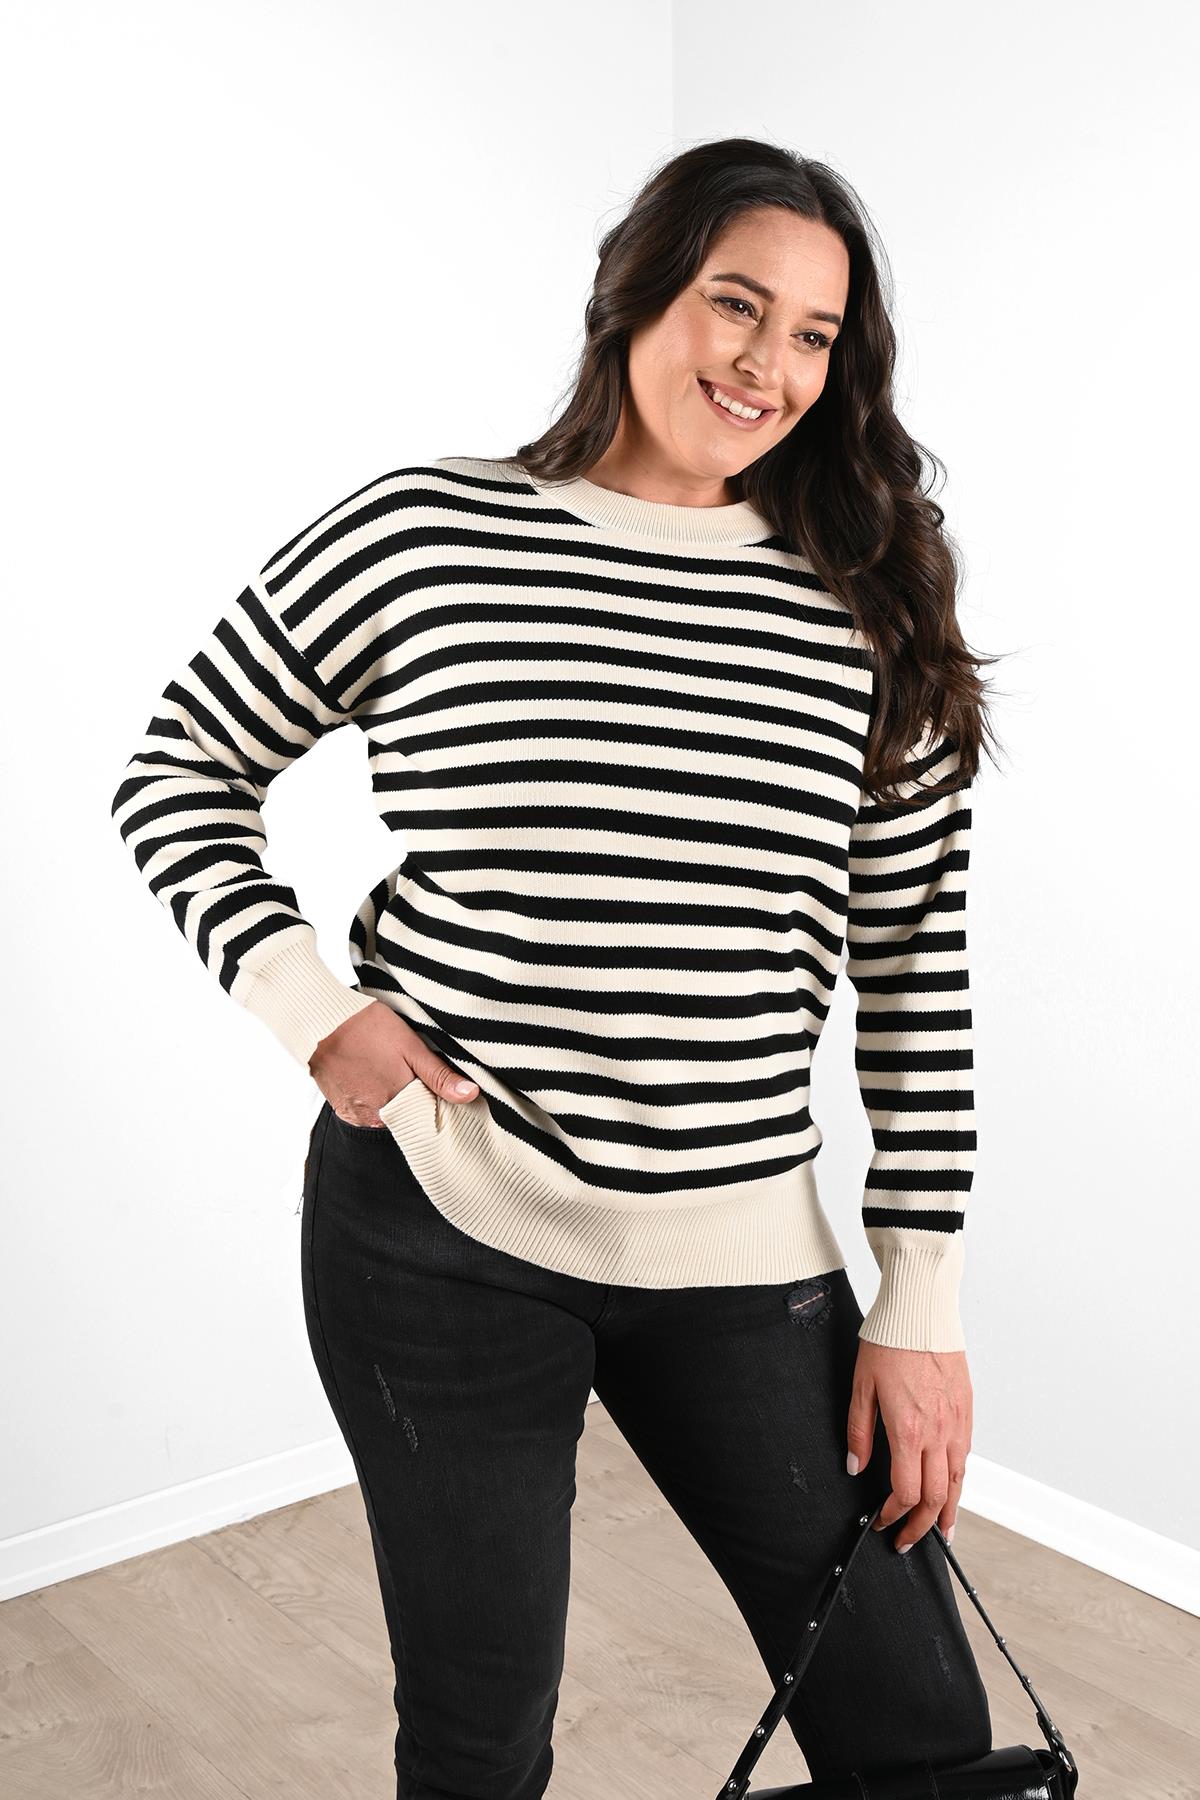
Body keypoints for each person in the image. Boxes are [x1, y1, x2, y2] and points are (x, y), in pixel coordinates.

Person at [111, 137, 1003, 1796]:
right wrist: (316, 1013)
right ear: (635, 291)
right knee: (479, 1741)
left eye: (815, 335)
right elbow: (181, 765)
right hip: (436, 1233)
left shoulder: (865, 600)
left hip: (743, 1251)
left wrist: (921, 1303)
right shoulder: (426, 532)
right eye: (736, 305)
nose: (767, 364)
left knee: (921, 1740)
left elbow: (913, 965)